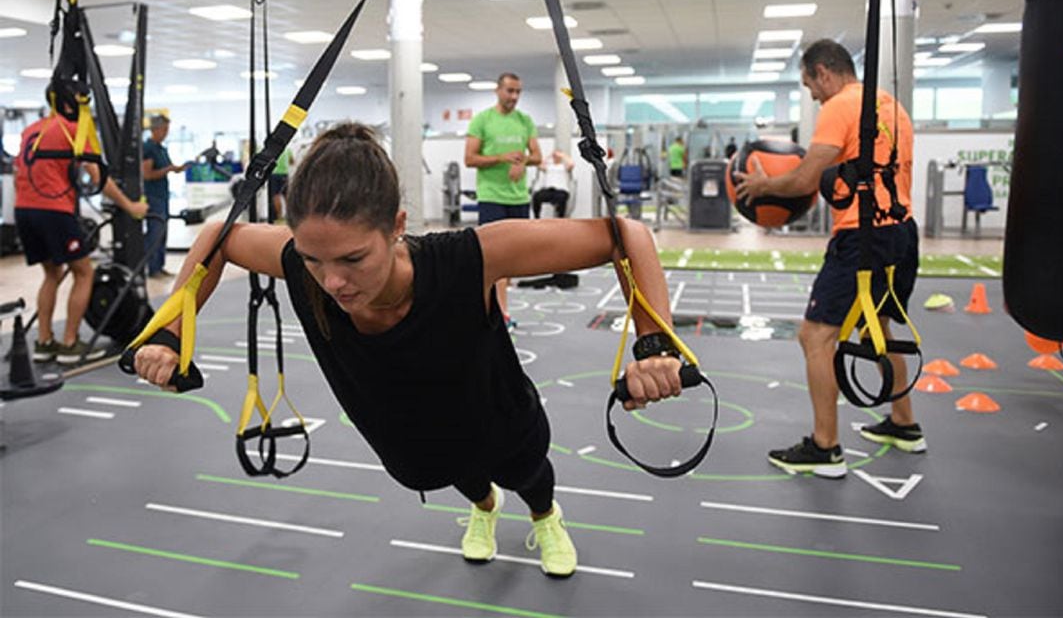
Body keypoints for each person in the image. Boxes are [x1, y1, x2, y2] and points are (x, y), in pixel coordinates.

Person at [131, 123, 683, 577]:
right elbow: (218, 237)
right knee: (456, 473)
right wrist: (170, 328)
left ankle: (545, 518)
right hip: (413, 438)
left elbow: (625, 235)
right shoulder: (301, 265)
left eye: (352, 259)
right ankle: (483, 509)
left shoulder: (471, 257)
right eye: (313, 259)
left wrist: (653, 341)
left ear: (396, 227)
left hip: (497, 413)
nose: (332, 282)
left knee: (526, 473)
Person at [734, 39, 921, 479]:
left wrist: (762, 188)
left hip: (862, 236)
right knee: (876, 327)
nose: (812, 95)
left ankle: (825, 448)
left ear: (823, 71)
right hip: (900, 231)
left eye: (809, 84)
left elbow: (804, 180)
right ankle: (905, 423)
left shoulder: (839, 106)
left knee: (815, 337)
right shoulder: (890, 104)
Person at [14, 94, 148, 364]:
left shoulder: (32, 129)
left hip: (24, 209)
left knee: (52, 273)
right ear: (68, 103)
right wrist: (130, 206)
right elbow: (99, 177)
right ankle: (70, 343)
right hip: (53, 209)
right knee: (84, 272)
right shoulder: (73, 129)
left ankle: (44, 341)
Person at [464, 73, 541, 327]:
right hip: (491, 196)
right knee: (494, 258)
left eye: (518, 92)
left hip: (518, 197)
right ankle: (500, 313)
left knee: (516, 259)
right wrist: (502, 158)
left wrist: (523, 161)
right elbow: (470, 159)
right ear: (498, 90)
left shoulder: (524, 120)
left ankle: (500, 309)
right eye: (509, 91)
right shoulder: (482, 120)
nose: (514, 97)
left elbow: (538, 156)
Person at [142, 114, 187, 278]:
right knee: (155, 232)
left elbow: (166, 168)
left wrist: (178, 168)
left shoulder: (161, 148)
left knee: (162, 233)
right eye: (164, 129)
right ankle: (152, 268)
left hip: (162, 195)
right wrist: (168, 170)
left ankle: (160, 266)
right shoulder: (148, 148)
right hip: (152, 197)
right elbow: (147, 175)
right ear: (155, 129)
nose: (166, 133)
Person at [531, 149, 574, 218]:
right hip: (549, 190)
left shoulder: (564, 166)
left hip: (561, 190)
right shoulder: (548, 166)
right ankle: (537, 217)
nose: (556, 157)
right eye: (555, 156)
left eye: (557, 156)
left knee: (562, 198)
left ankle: (560, 218)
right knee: (536, 196)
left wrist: (563, 155)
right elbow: (539, 164)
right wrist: (550, 156)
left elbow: (571, 164)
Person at [270, 147, 293, 223]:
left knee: (276, 195)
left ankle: (279, 216)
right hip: (285, 174)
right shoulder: (287, 150)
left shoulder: (273, 150)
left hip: (274, 174)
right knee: (286, 195)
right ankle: (290, 215)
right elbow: (292, 161)